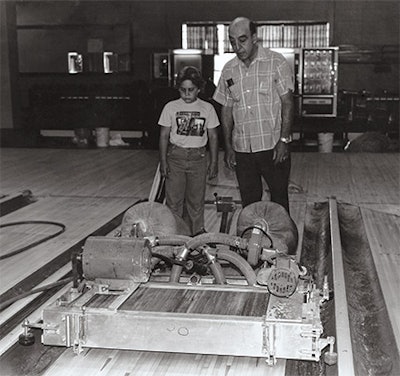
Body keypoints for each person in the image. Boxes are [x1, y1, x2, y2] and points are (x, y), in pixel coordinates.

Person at [213, 17, 294, 214]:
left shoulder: (276, 62)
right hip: (243, 150)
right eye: (232, 42)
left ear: (254, 37)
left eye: (242, 40)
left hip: (273, 147)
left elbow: (288, 103)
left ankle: (281, 242)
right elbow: (226, 109)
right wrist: (229, 147)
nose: (237, 46)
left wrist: (283, 140)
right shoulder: (228, 70)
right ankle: (250, 242)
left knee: (279, 201)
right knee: (249, 204)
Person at [158, 66, 220, 235]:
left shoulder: (207, 108)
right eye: (183, 90)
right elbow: (164, 136)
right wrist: (163, 161)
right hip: (175, 158)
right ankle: (174, 235)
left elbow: (213, 137)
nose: (186, 94)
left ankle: (196, 234)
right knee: (174, 201)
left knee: (196, 201)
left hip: (198, 158)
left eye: (191, 90)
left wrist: (214, 162)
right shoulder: (170, 107)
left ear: (198, 89)